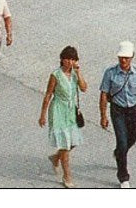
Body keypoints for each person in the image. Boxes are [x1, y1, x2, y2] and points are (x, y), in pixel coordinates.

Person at [99, 40, 136, 189]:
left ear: (132, 57)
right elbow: (104, 94)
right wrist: (103, 116)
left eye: (126, 58)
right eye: (121, 58)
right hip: (117, 110)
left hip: (132, 110)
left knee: (132, 139)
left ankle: (119, 153)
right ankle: (123, 176)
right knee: (122, 142)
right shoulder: (110, 72)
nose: (123, 61)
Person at [39, 45, 87, 189]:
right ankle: (67, 176)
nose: (70, 62)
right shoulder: (56, 75)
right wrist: (42, 114)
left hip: (71, 111)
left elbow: (84, 88)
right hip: (58, 111)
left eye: (73, 59)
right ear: (62, 59)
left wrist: (78, 73)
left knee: (73, 141)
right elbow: (48, 94)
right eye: (67, 59)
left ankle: (56, 157)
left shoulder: (74, 74)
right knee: (65, 144)